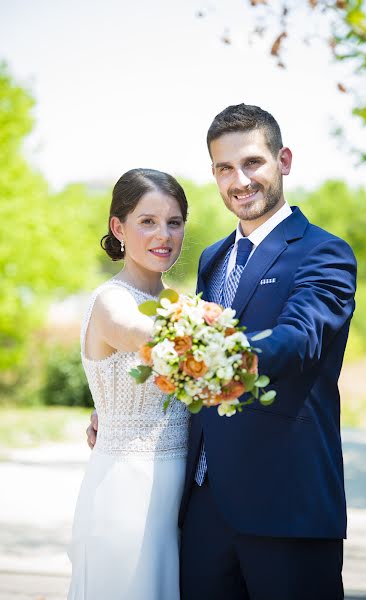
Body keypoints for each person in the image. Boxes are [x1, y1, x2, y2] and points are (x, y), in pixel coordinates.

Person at [88, 104, 357, 600]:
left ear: (284, 161)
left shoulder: (323, 252)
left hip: (286, 505)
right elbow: (180, 363)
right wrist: (120, 402)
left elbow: (300, 338)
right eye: (224, 168)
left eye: (252, 162)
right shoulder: (213, 258)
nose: (240, 180)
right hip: (202, 508)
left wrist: (223, 353)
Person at [68, 168, 190, 600]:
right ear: (118, 227)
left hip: (179, 497)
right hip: (126, 491)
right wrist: (213, 334)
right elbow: (140, 334)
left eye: (174, 222)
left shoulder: (179, 302)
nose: (164, 235)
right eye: (148, 221)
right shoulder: (112, 302)